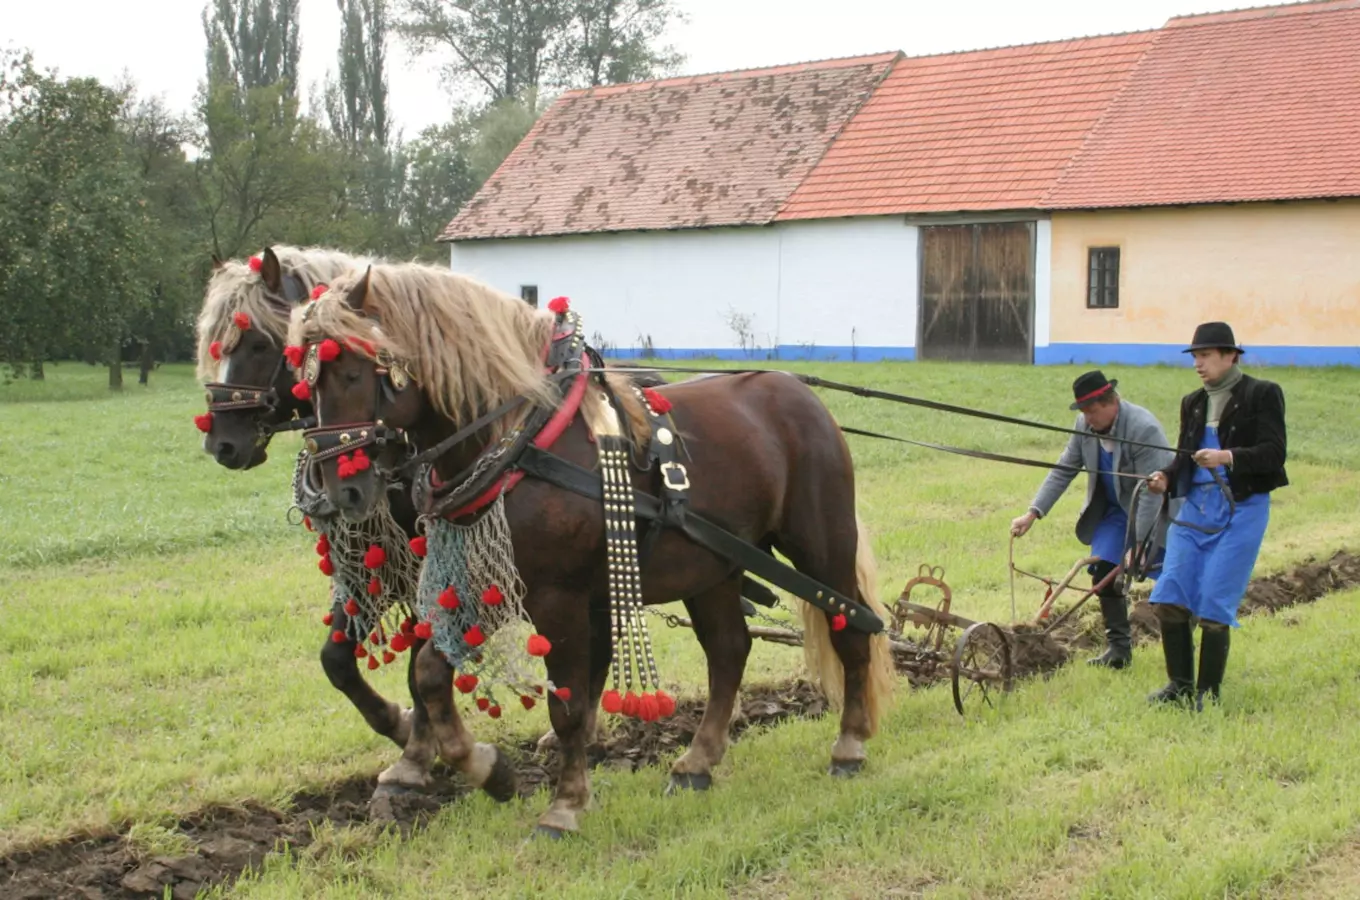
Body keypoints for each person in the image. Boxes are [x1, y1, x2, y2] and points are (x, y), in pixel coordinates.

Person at [1145, 322, 1288, 708]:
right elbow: (1183, 460)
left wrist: (1228, 457)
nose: (1198, 364)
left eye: (1205, 356)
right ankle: (1179, 686)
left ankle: (1207, 694)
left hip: (1241, 510)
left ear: (1231, 356)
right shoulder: (1193, 402)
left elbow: (1274, 453)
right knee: (1171, 591)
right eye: (1195, 356)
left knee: (1214, 599)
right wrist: (1165, 478)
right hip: (1194, 511)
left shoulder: (1262, 394)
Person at [1011, 371, 1176, 669]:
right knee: (1103, 574)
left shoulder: (1143, 429)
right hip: (1114, 512)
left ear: (1112, 401)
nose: (1087, 418)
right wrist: (1033, 512)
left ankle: (1182, 645)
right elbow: (1064, 468)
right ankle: (1119, 651)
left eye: (1092, 410)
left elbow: (1153, 495)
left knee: (1172, 581)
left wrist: (1139, 544)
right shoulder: (1084, 426)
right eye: (1083, 412)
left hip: (1156, 513)